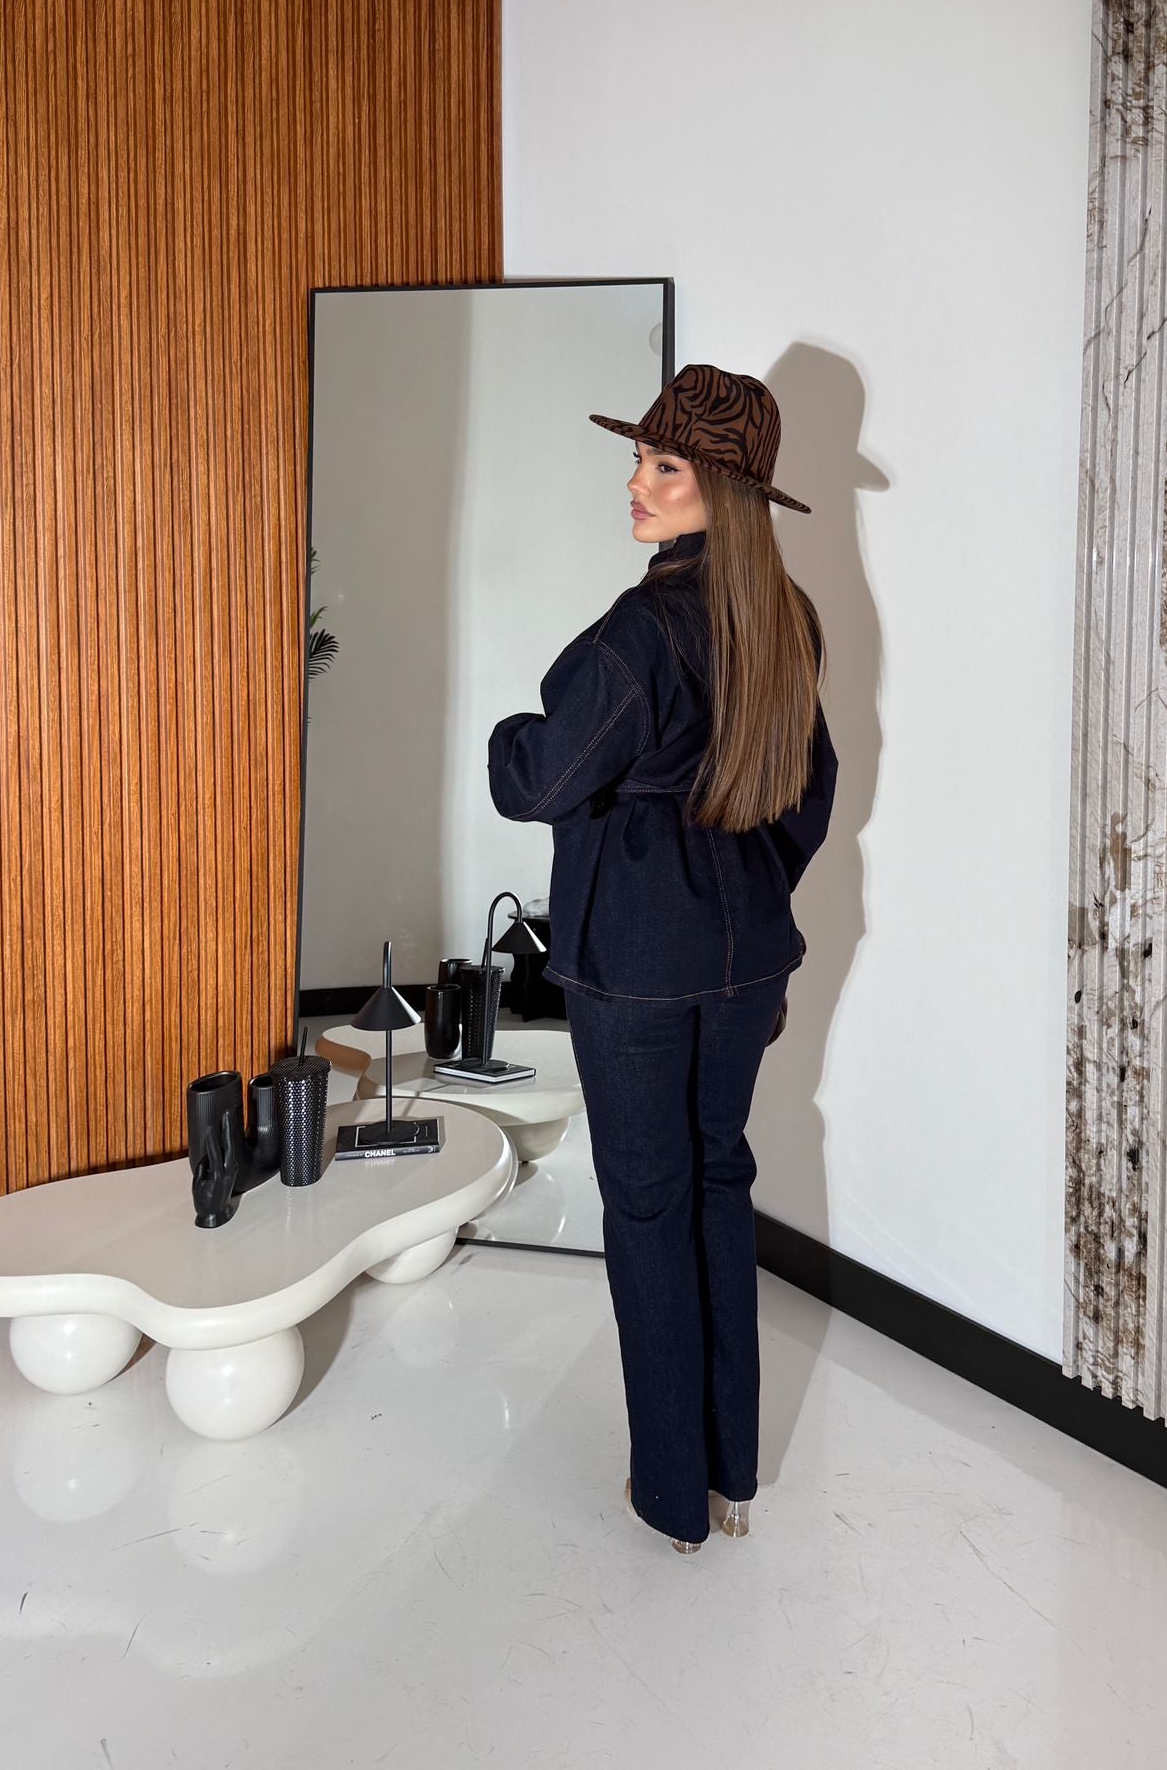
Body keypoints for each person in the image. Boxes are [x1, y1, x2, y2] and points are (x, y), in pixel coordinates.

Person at [487, 362, 838, 1554]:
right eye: (638, 458)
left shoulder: (640, 633)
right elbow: (807, 794)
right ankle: (730, 1466)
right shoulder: (788, 618)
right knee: (717, 1180)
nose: (636, 482)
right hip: (747, 958)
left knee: (649, 1203)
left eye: (665, 465)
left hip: (638, 959)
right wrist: (749, 896)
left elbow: (539, 776)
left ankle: (673, 1494)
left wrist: (509, 732)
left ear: (721, 491)